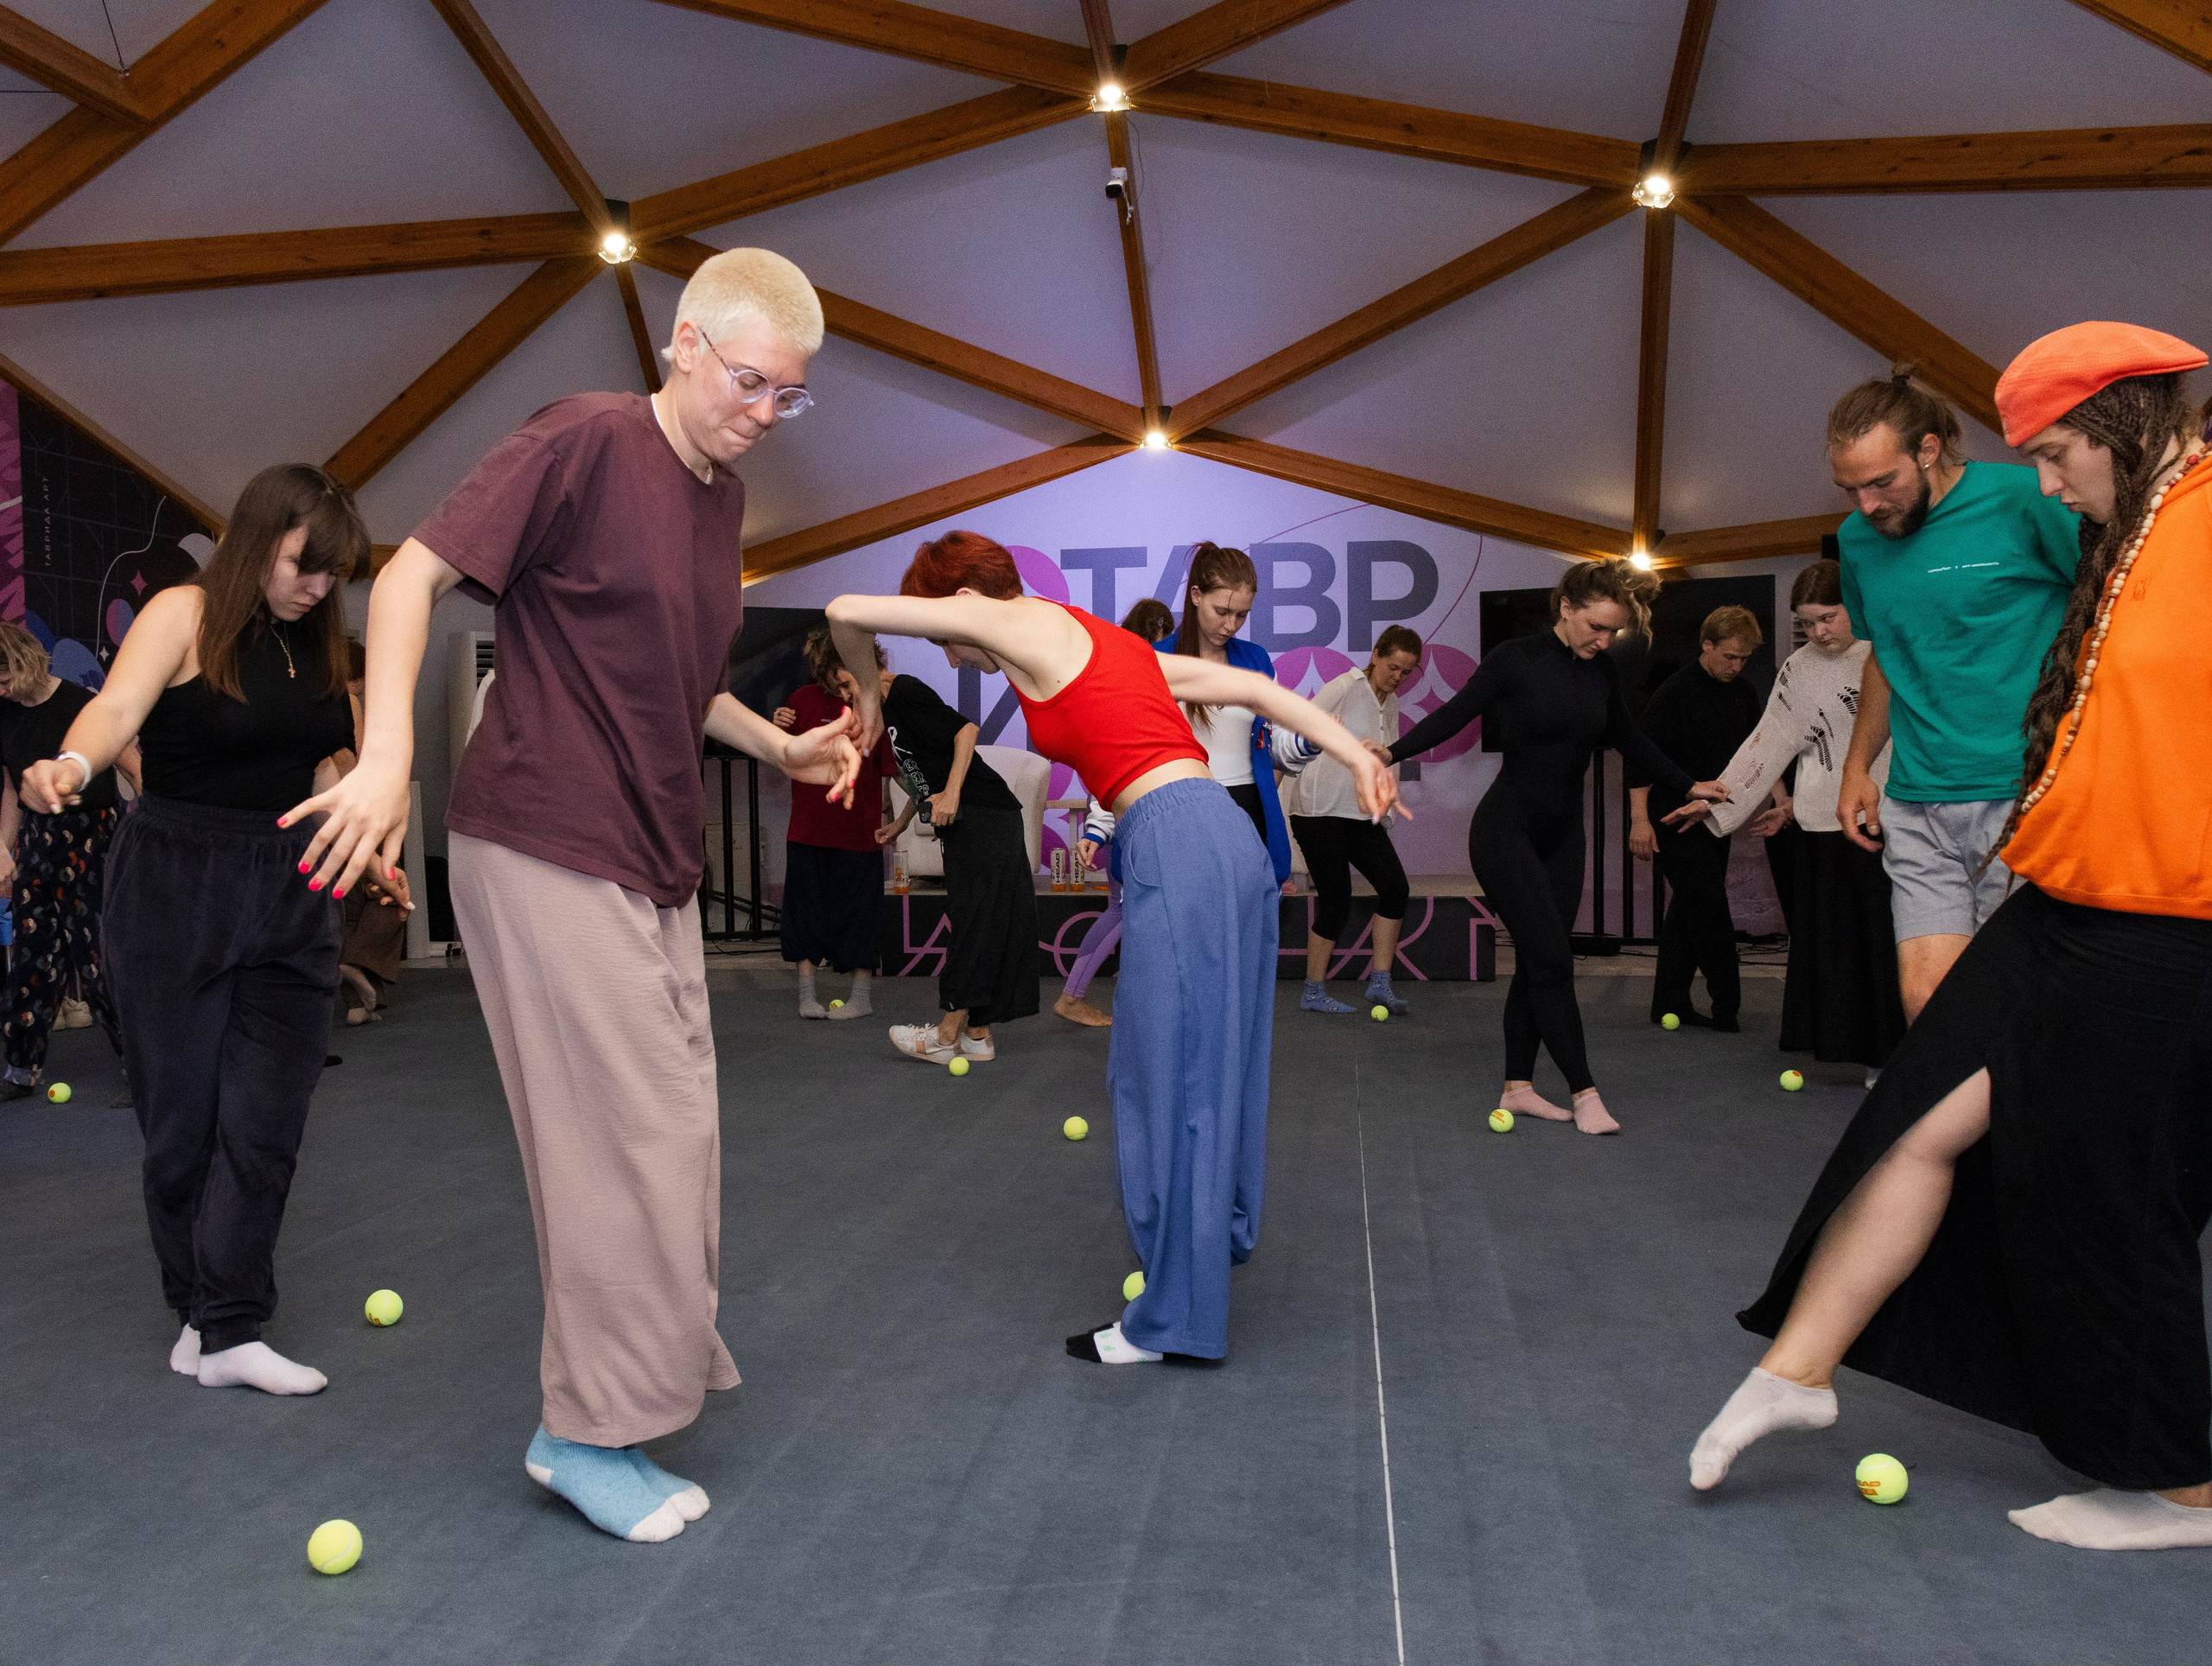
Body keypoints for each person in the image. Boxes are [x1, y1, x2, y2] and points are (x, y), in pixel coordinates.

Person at [288, 249, 862, 1544]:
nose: (766, 410)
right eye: (752, 380)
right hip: (544, 831)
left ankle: (618, 1406)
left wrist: (776, 747)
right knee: (620, 1146)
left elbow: (675, 670)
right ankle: (582, 1431)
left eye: (791, 396)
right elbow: (415, 573)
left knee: (681, 1135)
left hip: (651, 850)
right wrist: (387, 755)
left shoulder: (721, 499)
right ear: (684, 346)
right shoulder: (585, 440)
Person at [1688, 322, 2212, 1552]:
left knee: (2102, 1186)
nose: (2045, 479)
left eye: (2061, 449)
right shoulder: (2136, 526)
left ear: (2128, 425)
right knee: (1912, 1111)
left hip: (2166, 912)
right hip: (2068, 886)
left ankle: (2185, 1485)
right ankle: (1797, 1372)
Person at [825, 531, 1395, 1365]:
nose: (948, 644)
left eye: (947, 624)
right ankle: (1214, 1242)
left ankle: (1174, 1322)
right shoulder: (1108, 645)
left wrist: (872, 708)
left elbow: (842, 611)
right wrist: (1352, 751)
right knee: (1209, 1066)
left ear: (965, 604)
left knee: (1165, 1083)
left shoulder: (1019, 622)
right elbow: (1249, 688)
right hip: (1223, 843)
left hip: (1177, 840)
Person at [22, 464, 365, 1395]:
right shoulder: (184, 613)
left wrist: (364, 836)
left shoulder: (319, 644)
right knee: (183, 1124)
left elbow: (330, 763)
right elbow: (116, 709)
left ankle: (230, 1323)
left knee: (266, 1121)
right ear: (259, 539)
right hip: (175, 877)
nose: (316, 587)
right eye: (303, 564)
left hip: (291, 882)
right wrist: (68, 761)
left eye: (333, 573)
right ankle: (199, 1307)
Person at [1384, 559, 1727, 1135]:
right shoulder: (1515, 660)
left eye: (1613, 631)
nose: (1604, 639)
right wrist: (1388, 754)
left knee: (1539, 964)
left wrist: (1688, 782)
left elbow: (1629, 739)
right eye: (1596, 626)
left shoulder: (1602, 674)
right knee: (1552, 959)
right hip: (1505, 831)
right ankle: (1584, 1092)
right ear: (1565, 607)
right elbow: (1453, 716)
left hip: (1565, 836)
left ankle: (1518, 1087)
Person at [1827, 371, 2080, 1019]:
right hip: (1917, 800)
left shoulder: (2030, 499)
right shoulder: (1860, 541)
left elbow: (2111, 612)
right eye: (1850, 488)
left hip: (2023, 789)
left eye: (1882, 482)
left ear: (1930, 450)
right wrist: (1857, 768)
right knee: (1929, 1001)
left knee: (2020, 1001)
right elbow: (1889, 652)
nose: (1867, 506)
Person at [1707, 562, 1904, 1081]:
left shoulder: (1889, 653)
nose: (1819, 632)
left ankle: (1890, 1055)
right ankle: (1847, 1047)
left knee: (1883, 940)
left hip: (1885, 819)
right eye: (1808, 623)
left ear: (1854, 606)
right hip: (1819, 824)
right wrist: (1717, 801)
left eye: (1828, 617)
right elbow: (1769, 740)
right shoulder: (1797, 668)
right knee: (1833, 942)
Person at [874, 629, 1039, 1063]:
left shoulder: (904, 691)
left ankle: (947, 1032)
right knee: (976, 918)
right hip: (971, 818)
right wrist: (903, 821)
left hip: (985, 811)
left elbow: (965, 731)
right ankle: (978, 1035)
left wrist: (950, 794)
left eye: (845, 684)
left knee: (975, 920)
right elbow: (923, 769)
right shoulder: (883, 710)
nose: (845, 696)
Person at [0, 620, 136, 1101]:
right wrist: (3, 848)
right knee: (32, 957)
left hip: (95, 838)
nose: (3, 691)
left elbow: (133, 769)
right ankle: (20, 1069)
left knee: (103, 957)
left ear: (24, 661)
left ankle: (142, 1069)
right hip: (38, 842)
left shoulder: (83, 704)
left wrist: (151, 836)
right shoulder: (5, 715)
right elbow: (11, 790)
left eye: (4, 678)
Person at [1627, 607, 1764, 1032]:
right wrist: (1639, 822)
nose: (1736, 666)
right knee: (1709, 910)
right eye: (1729, 657)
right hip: (1670, 816)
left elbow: (1757, 755)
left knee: (1689, 910)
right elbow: (1640, 758)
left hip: (1716, 817)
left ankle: (1668, 1002)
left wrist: (1782, 799)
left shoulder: (1743, 693)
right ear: (1707, 645)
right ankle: (1728, 1008)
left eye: (1744, 659)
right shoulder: (1675, 692)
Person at [1054, 596, 1176, 1028]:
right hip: (1132, 828)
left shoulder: (1148, 686)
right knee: (1123, 912)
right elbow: (1116, 773)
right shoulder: (1133, 689)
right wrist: (1097, 830)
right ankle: (1072, 997)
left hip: (1146, 824)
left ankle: (1134, 989)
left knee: (1137, 914)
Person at [1287, 626, 1419, 1016]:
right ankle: (1312, 992)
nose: (1397, 677)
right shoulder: (1343, 686)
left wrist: (1387, 807)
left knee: (1395, 888)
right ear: (1375, 654)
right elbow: (1302, 728)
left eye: (1406, 673)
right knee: (1336, 899)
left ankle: (1379, 984)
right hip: (1317, 811)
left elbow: (1386, 760)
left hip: (1360, 813)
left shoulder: (1390, 705)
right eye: (1393, 667)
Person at [772, 627, 896, 1021]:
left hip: (860, 832)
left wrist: (901, 819)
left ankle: (861, 996)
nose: (847, 684)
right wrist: (776, 726)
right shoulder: (800, 702)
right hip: (808, 830)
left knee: (861, 915)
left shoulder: (877, 708)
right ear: (826, 670)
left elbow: (892, 769)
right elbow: (780, 753)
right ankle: (806, 994)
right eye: (839, 675)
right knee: (804, 914)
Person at [1157, 544, 1294, 884]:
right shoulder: (1155, 660)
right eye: (1222, 611)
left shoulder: (1256, 659)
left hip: (1249, 809)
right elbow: (1126, 748)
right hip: (1179, 809)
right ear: (1195, 595)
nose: (1231, 625)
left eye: (1242, 615)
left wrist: (1303, 748)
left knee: (1248, 924)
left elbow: (1276, 746)